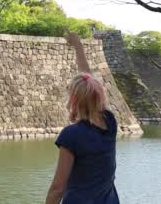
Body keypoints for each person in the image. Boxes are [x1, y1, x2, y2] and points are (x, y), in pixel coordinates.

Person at [45, 32, 119, 204]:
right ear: (97, 95)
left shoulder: (71, 135)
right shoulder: (109, 123)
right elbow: (88, 81)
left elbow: (57, 188)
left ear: (74, 100)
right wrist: (78, 46)